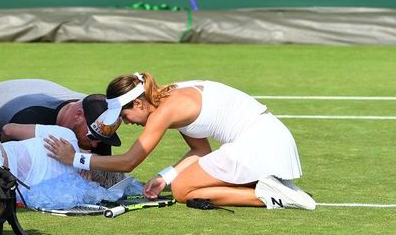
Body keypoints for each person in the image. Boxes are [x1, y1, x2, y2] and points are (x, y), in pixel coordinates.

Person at [45, 72, 316, 210]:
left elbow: (128, 162)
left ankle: (267, 196)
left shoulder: (165, 112)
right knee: (179, 183)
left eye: (125, 115)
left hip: (258, 144)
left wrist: (75, 158)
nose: (126, 122)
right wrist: (164, 177)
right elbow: (200, 149)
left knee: (184, 191)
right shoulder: (170, 95)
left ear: (138, 103)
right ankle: (269, 185)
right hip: (270, 140)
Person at [0, 79, 119, 156]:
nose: (95, 143)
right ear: (78, 116)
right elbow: (8, 142)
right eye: (92, 136)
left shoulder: (98, 116)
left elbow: (105, 171)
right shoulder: (30, 117)